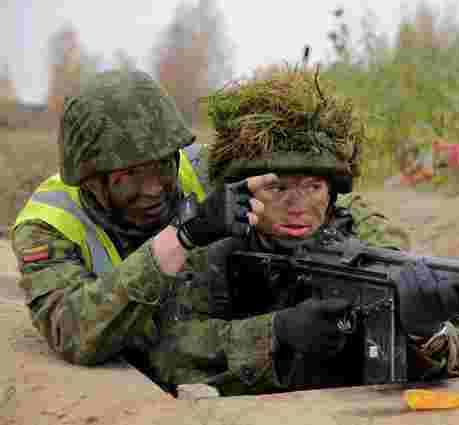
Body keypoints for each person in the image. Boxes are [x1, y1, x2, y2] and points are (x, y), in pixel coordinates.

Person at [9, 69, 424, 384]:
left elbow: (335, 199)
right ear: (91, 181)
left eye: (161, 167)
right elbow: (77, 333)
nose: (153, 189)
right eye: (127, 178)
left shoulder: (205, 168)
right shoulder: (46, 226)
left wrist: (406, 267)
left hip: (207, 329)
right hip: (140, 348)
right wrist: (184, 235)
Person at [136, 69, 459, 395]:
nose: (299, 205)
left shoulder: (362, 236)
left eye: (313, 187)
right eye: (278, 189)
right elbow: (169, 353)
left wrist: (423, 330)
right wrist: (278, 330)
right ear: (244, 194)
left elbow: (449, 357)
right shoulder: (213, 247)